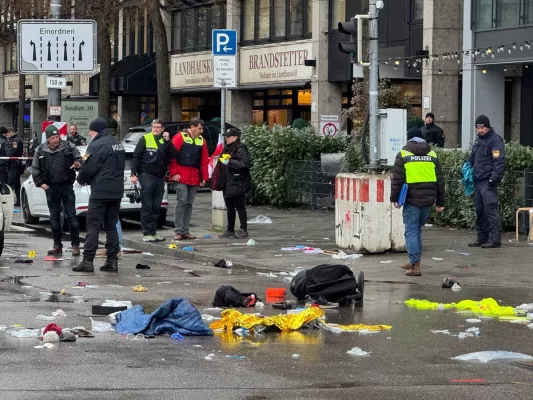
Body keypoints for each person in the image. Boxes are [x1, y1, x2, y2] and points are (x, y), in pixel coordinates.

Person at [73, 118, 126, 273]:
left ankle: (87, 261)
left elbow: (88, 167)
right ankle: (112, 261)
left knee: (93, 225)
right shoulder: (118, 144)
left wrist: (80, 180)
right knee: (111, 226)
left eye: (90, 131)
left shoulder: (96, 145)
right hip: (116, 191)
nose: (89, 134)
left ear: (94, 130)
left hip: (100, 191)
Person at [391, 127, 445, 277]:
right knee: (417, 230)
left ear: (408, 138)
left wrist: (394, 198)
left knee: (411, 231)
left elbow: (397, 179)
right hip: (428, 200)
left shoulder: (403, 154)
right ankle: (414, 259)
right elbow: (440, 181)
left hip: (412, 199)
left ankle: (415, 265)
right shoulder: (432, 154)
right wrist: (441, 202)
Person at [32, 125, 82, 256]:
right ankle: (57, 244)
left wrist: (78, 164)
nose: (56, 140)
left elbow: (79, 158)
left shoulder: (68, 146)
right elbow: (35, 169)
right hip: (51, 187)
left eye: (57, 137)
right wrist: (42, 184)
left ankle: (75, 245)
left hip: (66, 186)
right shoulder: (40, 150)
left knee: (71, 216)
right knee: (54, 218)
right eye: (53, 138)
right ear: (47, 138)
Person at [467, 115, 506, 249]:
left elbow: (499, 162)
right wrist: (467, 166)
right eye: (478, 127)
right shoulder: (478, 140)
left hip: (488, 181)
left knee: (490, 209)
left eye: (482, 127)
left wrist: (493, 178)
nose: (480, 130)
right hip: (478, 180)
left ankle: (495, 239)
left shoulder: (495, 140)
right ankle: (482, 237)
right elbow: (473, 157)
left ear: (487, 126)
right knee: (480, 210)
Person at [168, 117, 208, 241]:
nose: (201, 131)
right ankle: (179, 231)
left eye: (202, 128)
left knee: (188, 204)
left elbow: (204, 161)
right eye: (199, 128)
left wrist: (204, 177)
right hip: (181, 175)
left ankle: (185, 231)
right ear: (192, 127)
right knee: (182, 201)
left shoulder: (202, 141)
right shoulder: (180, 137)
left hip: (194, 177)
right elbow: (172, 156)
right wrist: (174, 173)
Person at [130, 118, 170, 242]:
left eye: (158, 127)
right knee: (147, 205)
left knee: (156, 206)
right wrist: (133, 174)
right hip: (146, 174)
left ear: (163, 129)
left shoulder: (164, 140)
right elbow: (136, 156)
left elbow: (171, 155)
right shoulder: (145, 138)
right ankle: (147, 232)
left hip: (159, 176)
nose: (155, 129)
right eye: (154, 126)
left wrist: (168, 141)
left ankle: (153, 232)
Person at [217, 128, 251, 239]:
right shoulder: (227, 148)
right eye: (226, 136)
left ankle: (243, 229)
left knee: (239, 206)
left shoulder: (240, 148)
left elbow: (244, 164)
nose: (226, 138)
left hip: (238, 182)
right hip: (228, 181)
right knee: (229, 206)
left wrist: (230, 162)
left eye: (229, 136)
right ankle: (230, 229)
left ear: (235, 137)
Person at [6, 127, 24, 205]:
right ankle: (19, 200)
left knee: (9, 183)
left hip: (15, 164)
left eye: (8, 133)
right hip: (16, 164)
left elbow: (14, 151)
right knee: (16, 184)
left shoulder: (16, 140)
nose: (7, 135)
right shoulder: (15, 139)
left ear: (11, 132)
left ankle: (7, 201)